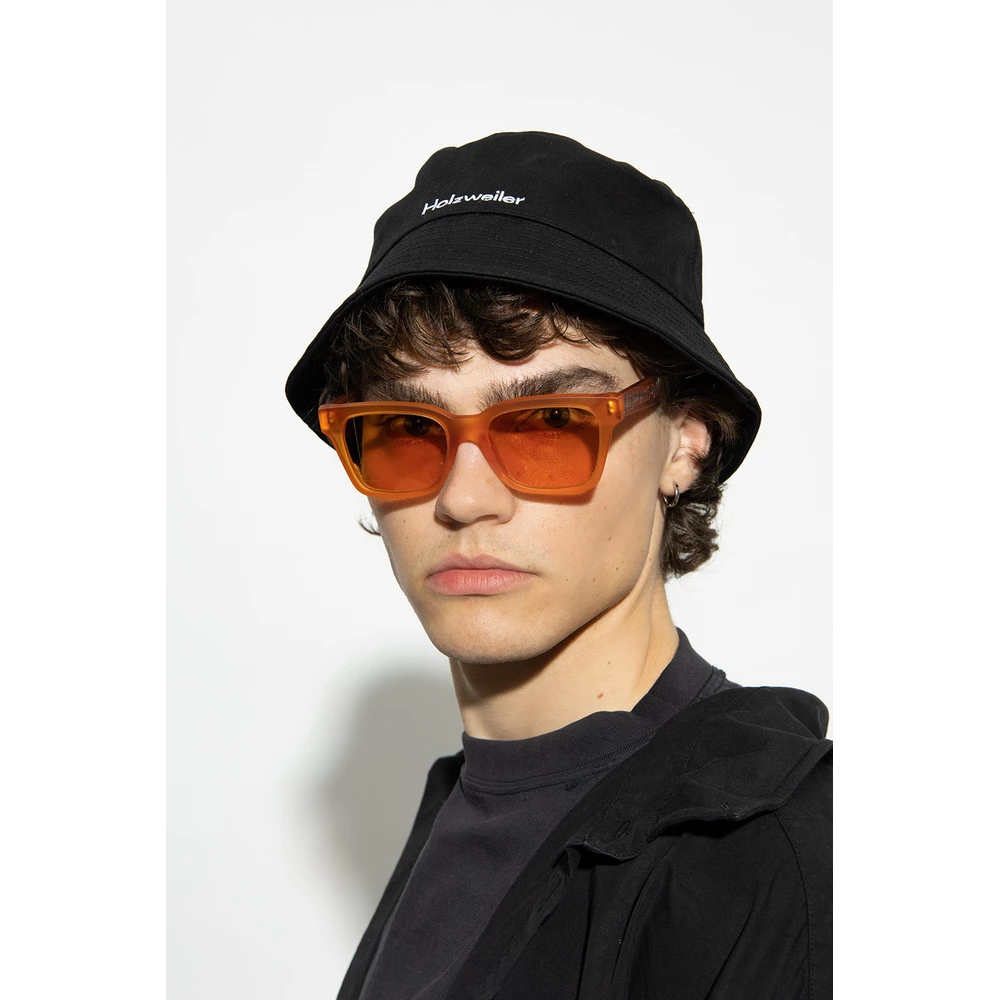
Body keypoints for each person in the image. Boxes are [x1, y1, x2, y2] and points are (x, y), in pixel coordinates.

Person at [285, 131, 832, 1000]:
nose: (465, 498)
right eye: (407, 430)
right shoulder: (468, 805)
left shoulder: (776, 858)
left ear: (685, 444)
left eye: (548, 424)